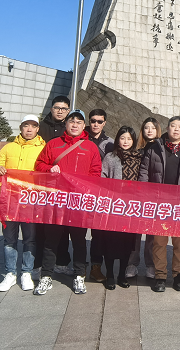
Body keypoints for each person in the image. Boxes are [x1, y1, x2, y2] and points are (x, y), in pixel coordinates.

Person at [33, 110, 102, 296]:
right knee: (51, 240)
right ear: (66, 124)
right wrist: (49, 168)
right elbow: (38, 164)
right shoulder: (53, 144)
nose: (74, 125)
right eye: (72, 121)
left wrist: (85, 189)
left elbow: (96, 173)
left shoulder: (90, 147)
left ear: (83, 126)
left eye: (79, 122)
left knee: (79, 240)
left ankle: (79, 275)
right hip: (55, 201)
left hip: (78, 203)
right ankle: (46, 276)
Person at [139, 116, 180, 292]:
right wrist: (146, 194)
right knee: (159, 241)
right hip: (160, 203)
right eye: (173, 126)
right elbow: (144, 171)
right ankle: (160, 275)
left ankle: (178, 275)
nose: (176, 129)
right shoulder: (155, 147)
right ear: (167, 128)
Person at [0, 115, 46, 292]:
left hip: (31, 202)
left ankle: (27, 273)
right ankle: (10, 273)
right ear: (20, 128)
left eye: (33, 126)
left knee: (30, 239)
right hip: (10, 202)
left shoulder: (44, 148)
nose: (29, 129)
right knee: (9, 239)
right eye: (26, 126)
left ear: (38, 129)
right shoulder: (9, 148)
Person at [100, 126, 141, 289]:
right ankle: (110, 275)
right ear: (118, 139)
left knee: (126, 244)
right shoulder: (110, 157)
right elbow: (102, 177)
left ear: (134, 141)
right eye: (122, 138)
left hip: (130, 207)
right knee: (110, 243)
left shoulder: (139, 157)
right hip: (113, 206)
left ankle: (122, 275)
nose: (126, 142)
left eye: (129, 139)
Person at [36, 96, 71, 275]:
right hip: (43, 185)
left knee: (63, 225)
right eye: (57, 108)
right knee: (41, 226)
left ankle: (63, 261)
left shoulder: (70, 129)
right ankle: (39, 263)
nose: (60, 111)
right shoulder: (40, 128)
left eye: (64, 109)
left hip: (64, 187)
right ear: (51, 109)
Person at [127, 117, 162, 279]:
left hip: (154, 196)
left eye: (152, 128)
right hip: (137, 195)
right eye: (146, 127)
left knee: (151, 234)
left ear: (157, 130)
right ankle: (131, 264)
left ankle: (151, 265)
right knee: (134, 233)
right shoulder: (136, 148)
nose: (149, 131)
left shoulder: (161, 149)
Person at [87, 108, 115, 284]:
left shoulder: (110, 143)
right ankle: (78, 266)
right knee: (77, 232)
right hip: (81, 193)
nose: (96, 124)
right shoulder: (81, 139)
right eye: (93, 120)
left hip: (101, 196)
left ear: (104, 123)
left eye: (99, 121)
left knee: (99, 234)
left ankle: (96, 267)